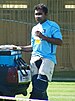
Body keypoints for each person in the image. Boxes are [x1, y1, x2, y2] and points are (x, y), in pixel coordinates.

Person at [19, 3, 63, 100]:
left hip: (47, 58)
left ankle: (32, 99)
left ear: (46, 14)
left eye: (40, 14)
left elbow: (59, 42)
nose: (37, 16)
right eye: (36, 14)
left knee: (41, 82)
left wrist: (43, 37)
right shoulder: (34, 28)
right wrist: (19, 48)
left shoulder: (53, 26)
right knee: (36, 84)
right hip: (34, 58)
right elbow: (33, 47)